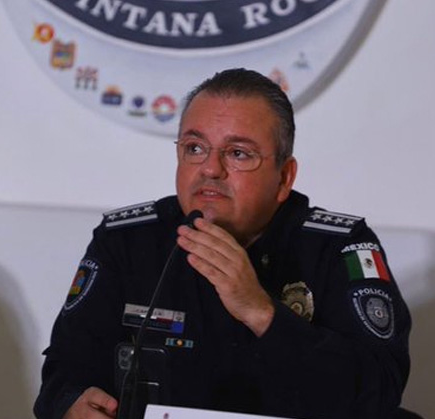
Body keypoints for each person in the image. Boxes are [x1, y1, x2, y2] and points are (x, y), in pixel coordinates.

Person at [34, 68, 411, 419]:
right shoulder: (127, 242)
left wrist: (261, 312)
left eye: (238, 153)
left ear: (284, 178)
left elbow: (378, 393)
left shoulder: (337, 248)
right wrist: (72, 402)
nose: (211, 169)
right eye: (195, 148)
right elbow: (64, 370)